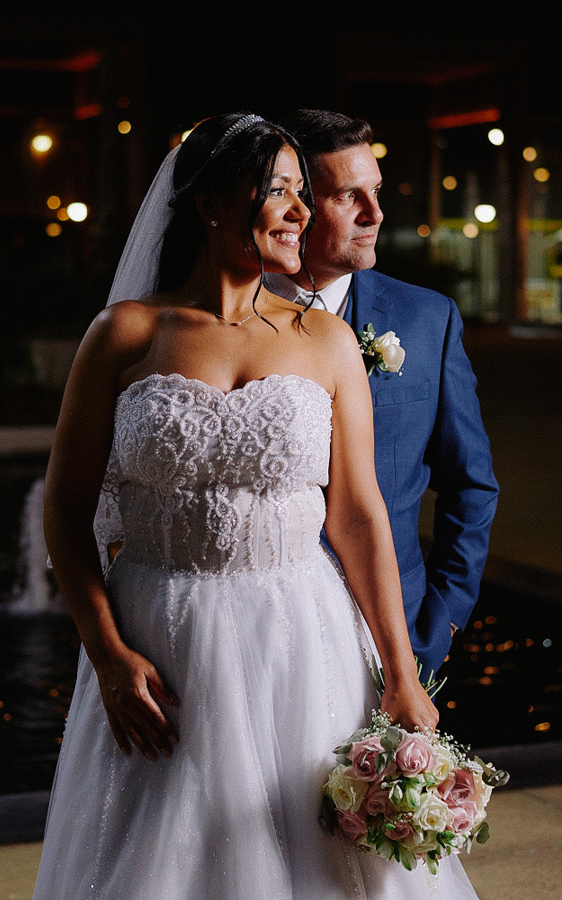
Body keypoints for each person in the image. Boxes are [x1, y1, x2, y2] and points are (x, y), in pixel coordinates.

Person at [33, 113, 479, 899]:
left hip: (301, 637)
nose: (302, 213)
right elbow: (67, 513)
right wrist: (106, 654)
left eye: (304, 193)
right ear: (211, 203)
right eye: (279, 191)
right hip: (160, 636)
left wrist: (402, 675)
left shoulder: (327, 343)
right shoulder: (125, 334)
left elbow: (360, 517)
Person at [268, 109, 499, 674]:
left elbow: (470, 484)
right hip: (263, 638)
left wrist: (439, 622)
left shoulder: (427, 319)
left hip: (392, 634)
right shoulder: (221, 326)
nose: (375, 214)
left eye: (374, 190)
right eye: (349, 196)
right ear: (294, 207)